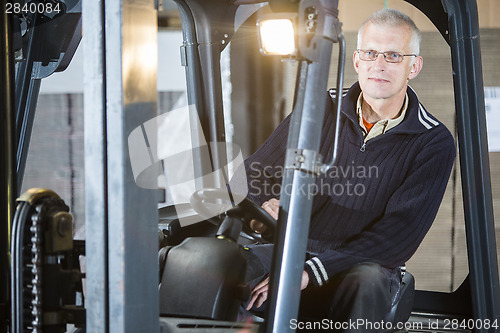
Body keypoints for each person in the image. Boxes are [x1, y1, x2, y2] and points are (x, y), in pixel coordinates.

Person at [235, 8, 456, 331]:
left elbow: (398, 237)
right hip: (294, 249)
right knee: (219, 260)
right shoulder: (320, 108)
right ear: (356, 61)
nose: (378, 65)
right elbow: (252, 172)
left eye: (393, 55)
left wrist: (312, 270)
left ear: (414, 66)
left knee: (366, 281)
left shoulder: (432, 142)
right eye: (370, 53)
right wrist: (266, 202)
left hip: (360, 267)